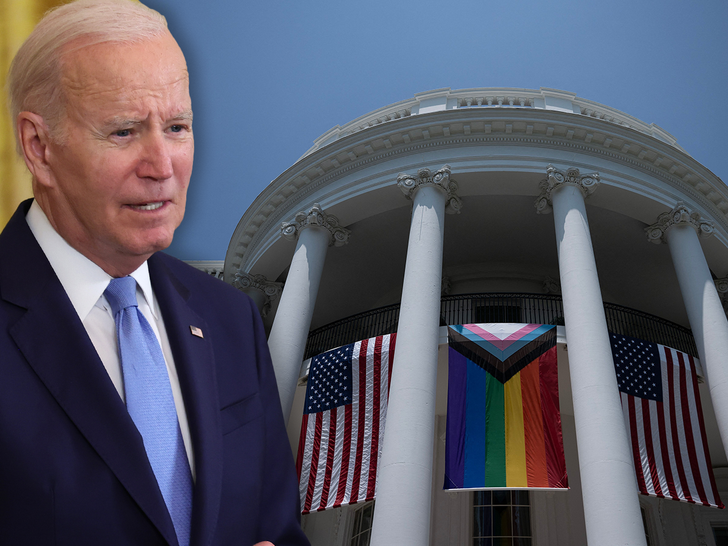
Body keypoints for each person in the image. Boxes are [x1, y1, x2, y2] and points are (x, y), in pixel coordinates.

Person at [0, 1, 309, 545]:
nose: (162, 165)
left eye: (176, 127)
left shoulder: (230, 318)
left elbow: (277, 530)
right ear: (38, 146)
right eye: (123, 132)